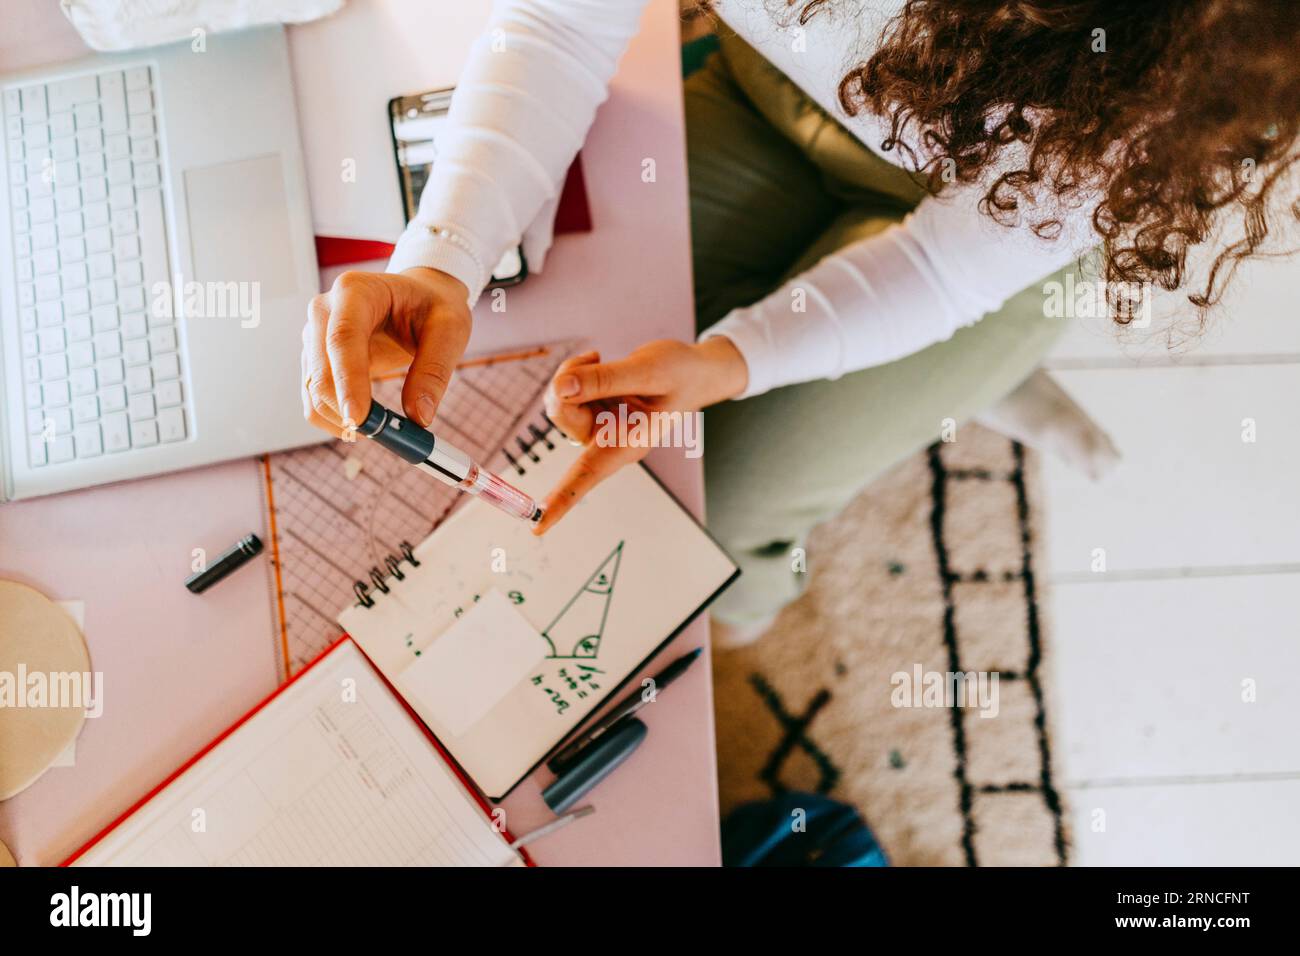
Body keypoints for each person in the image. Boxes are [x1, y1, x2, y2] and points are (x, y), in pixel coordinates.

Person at [301, 0, 1300, 636]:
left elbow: (944, 268)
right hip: (774, 104)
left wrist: (733, 359)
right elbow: (562, 23)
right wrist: (440, 258)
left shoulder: (1200, 39)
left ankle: (988, 363)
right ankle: (960, 372)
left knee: (715, 528)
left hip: (991, 235)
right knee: (563, 331)